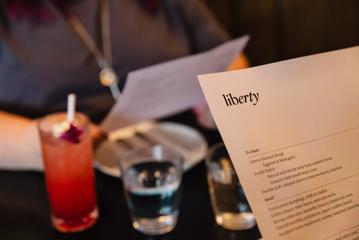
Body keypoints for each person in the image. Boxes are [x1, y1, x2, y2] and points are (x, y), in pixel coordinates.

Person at [0, 0, 248, 170]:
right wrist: (36, 143)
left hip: (188, 158)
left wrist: (225, 102)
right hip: (56, 179)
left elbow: (228, 57)